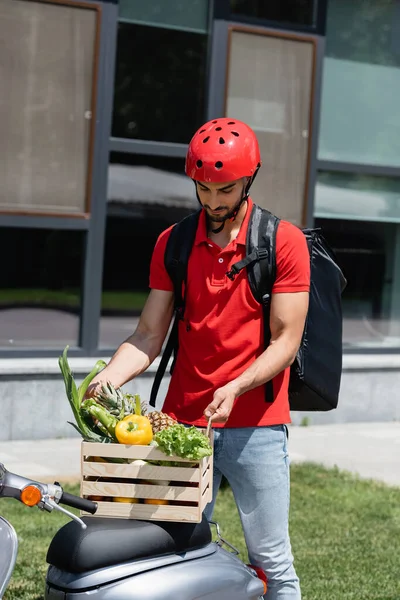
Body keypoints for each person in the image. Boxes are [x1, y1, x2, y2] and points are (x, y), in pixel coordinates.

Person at [88, 118, 310, 600]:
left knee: (270, 559)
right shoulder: (174, 243)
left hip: (257, 426)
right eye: (203, 188)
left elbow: (286, 341)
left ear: (248, 179)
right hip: (182, 424)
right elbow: (148, 333)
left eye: (224, 189)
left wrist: (234, 387)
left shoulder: (282, 242)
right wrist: (108, 376)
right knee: (173, 553)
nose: (212, 201)